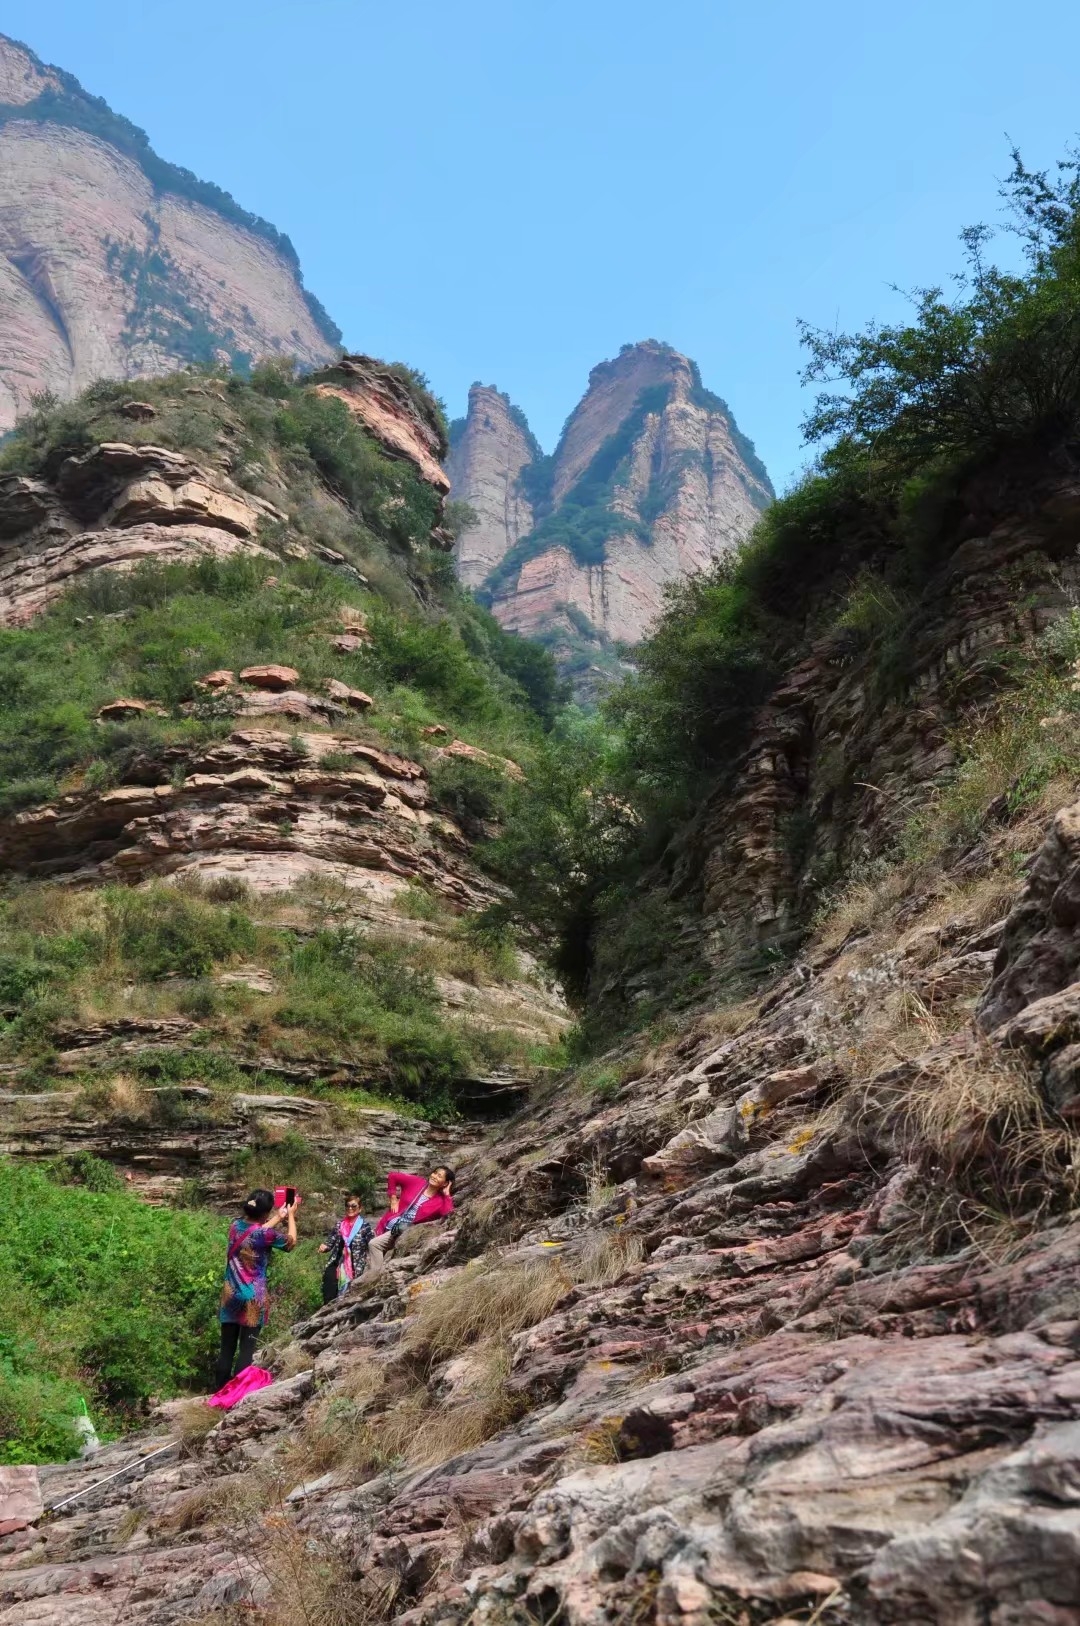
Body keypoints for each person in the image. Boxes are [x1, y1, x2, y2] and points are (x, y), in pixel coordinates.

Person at [215, 1188, 296, 1389]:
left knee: (226, 1349)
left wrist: (278, 1217)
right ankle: (236, 1396)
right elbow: (290, 1243)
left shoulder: (234, 1226)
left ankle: (218, 1392)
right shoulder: (266, 1234)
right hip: (253, 1298)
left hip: (230, 1295)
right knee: (246, 1349)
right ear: (265, 1213)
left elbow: (255, 1232)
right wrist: (291, 1216)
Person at [359, 1166, 455, 1283]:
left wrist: (446, 1195)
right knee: (370, 1258)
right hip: (386, 1224)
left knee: (374, 1244)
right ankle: (372, 1279)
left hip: (403, 1231)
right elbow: (393, 1176)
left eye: (439, 1176)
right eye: (435, 1173)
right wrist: (393, 1198)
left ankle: (374, 1279)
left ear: (445, 1183)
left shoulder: (440, 1200)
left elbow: (448, 1214)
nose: (434, 1176)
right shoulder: (418, 1182)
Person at [318, 1190, 373, 1303]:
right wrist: (325, 1247)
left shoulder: (365, 1227)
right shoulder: (339, 1225)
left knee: (349, 1297)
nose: (350, 1208)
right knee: (329, 1289)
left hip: (356, 1266)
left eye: (353, 1206)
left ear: (360, 1208)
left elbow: (371, 1244)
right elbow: (331, 1241)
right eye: (347, 1206)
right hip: (337, 1262)